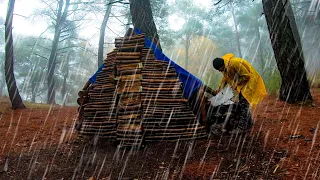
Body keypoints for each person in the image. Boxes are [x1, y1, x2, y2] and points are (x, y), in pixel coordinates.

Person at [212, 53, 267, 132]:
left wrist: (236, 84)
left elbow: (246, 76)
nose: (219, 71)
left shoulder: (234, 63)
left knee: (243, 104)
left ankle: (242, 128)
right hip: (243, 84)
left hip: (249, 82)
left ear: (222, 65)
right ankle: (249, 123)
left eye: (219, 69)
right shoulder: (225, 67)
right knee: (244, 103)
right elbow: (225, 78)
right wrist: (219, 88)